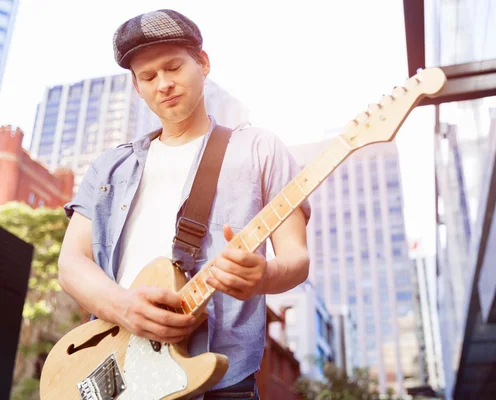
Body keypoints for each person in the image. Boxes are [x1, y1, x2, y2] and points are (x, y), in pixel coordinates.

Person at [57, 9, 311, 399]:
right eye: (148, 76)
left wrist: (263, 276)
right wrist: (123, 307)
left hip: (220, 382)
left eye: (174, 67)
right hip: (116, 369)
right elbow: (71, 262)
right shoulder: (109, 166)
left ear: (203, 63)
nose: (164, 84)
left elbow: (296, 259)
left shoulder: (260, 148)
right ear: (136, 87)